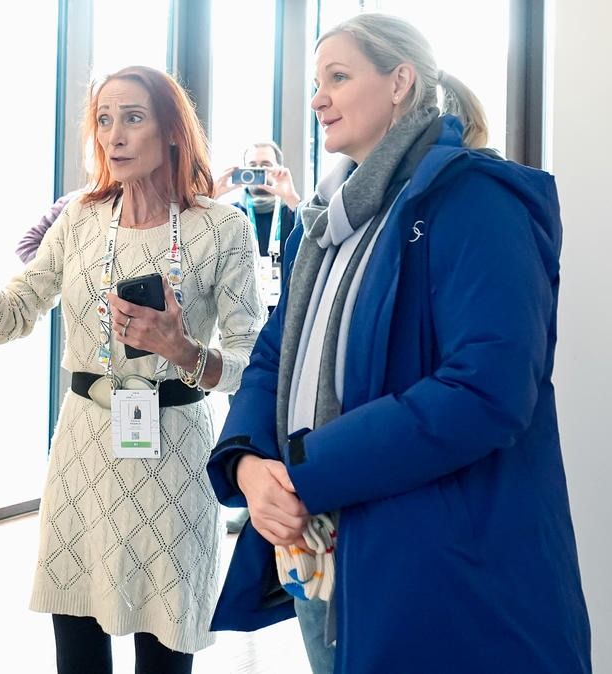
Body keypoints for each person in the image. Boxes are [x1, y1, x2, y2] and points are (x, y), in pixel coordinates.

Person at [207, 13, 591, 674]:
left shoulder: (476, 198)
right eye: (316, 82)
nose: (317, 99)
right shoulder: (324, 222)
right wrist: (246, 463)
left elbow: (486, 390)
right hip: (320, 548)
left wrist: (307, 468)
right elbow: (273, 357)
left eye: (338, 77)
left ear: (399, 82)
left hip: (437, 561)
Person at [0, 65, 265, 674]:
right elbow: (9, 320)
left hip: (175, 455)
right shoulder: (79, 218)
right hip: (83, 450)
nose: (114, 135)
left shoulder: (222, 227)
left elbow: (249, 361)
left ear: (171, 130)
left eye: (133, 118)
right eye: (104, 120)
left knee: (165, 641)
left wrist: (185, 352)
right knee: (76, 640)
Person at [211, 142, 300, 313]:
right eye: (252, 166)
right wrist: (213, 195)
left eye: (266, 165)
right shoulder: (230, 214)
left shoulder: (293, 213)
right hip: (239, 314)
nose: (258, 171)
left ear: (279, 169)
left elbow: (315, 237)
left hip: (286, 312)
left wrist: (291, 197)